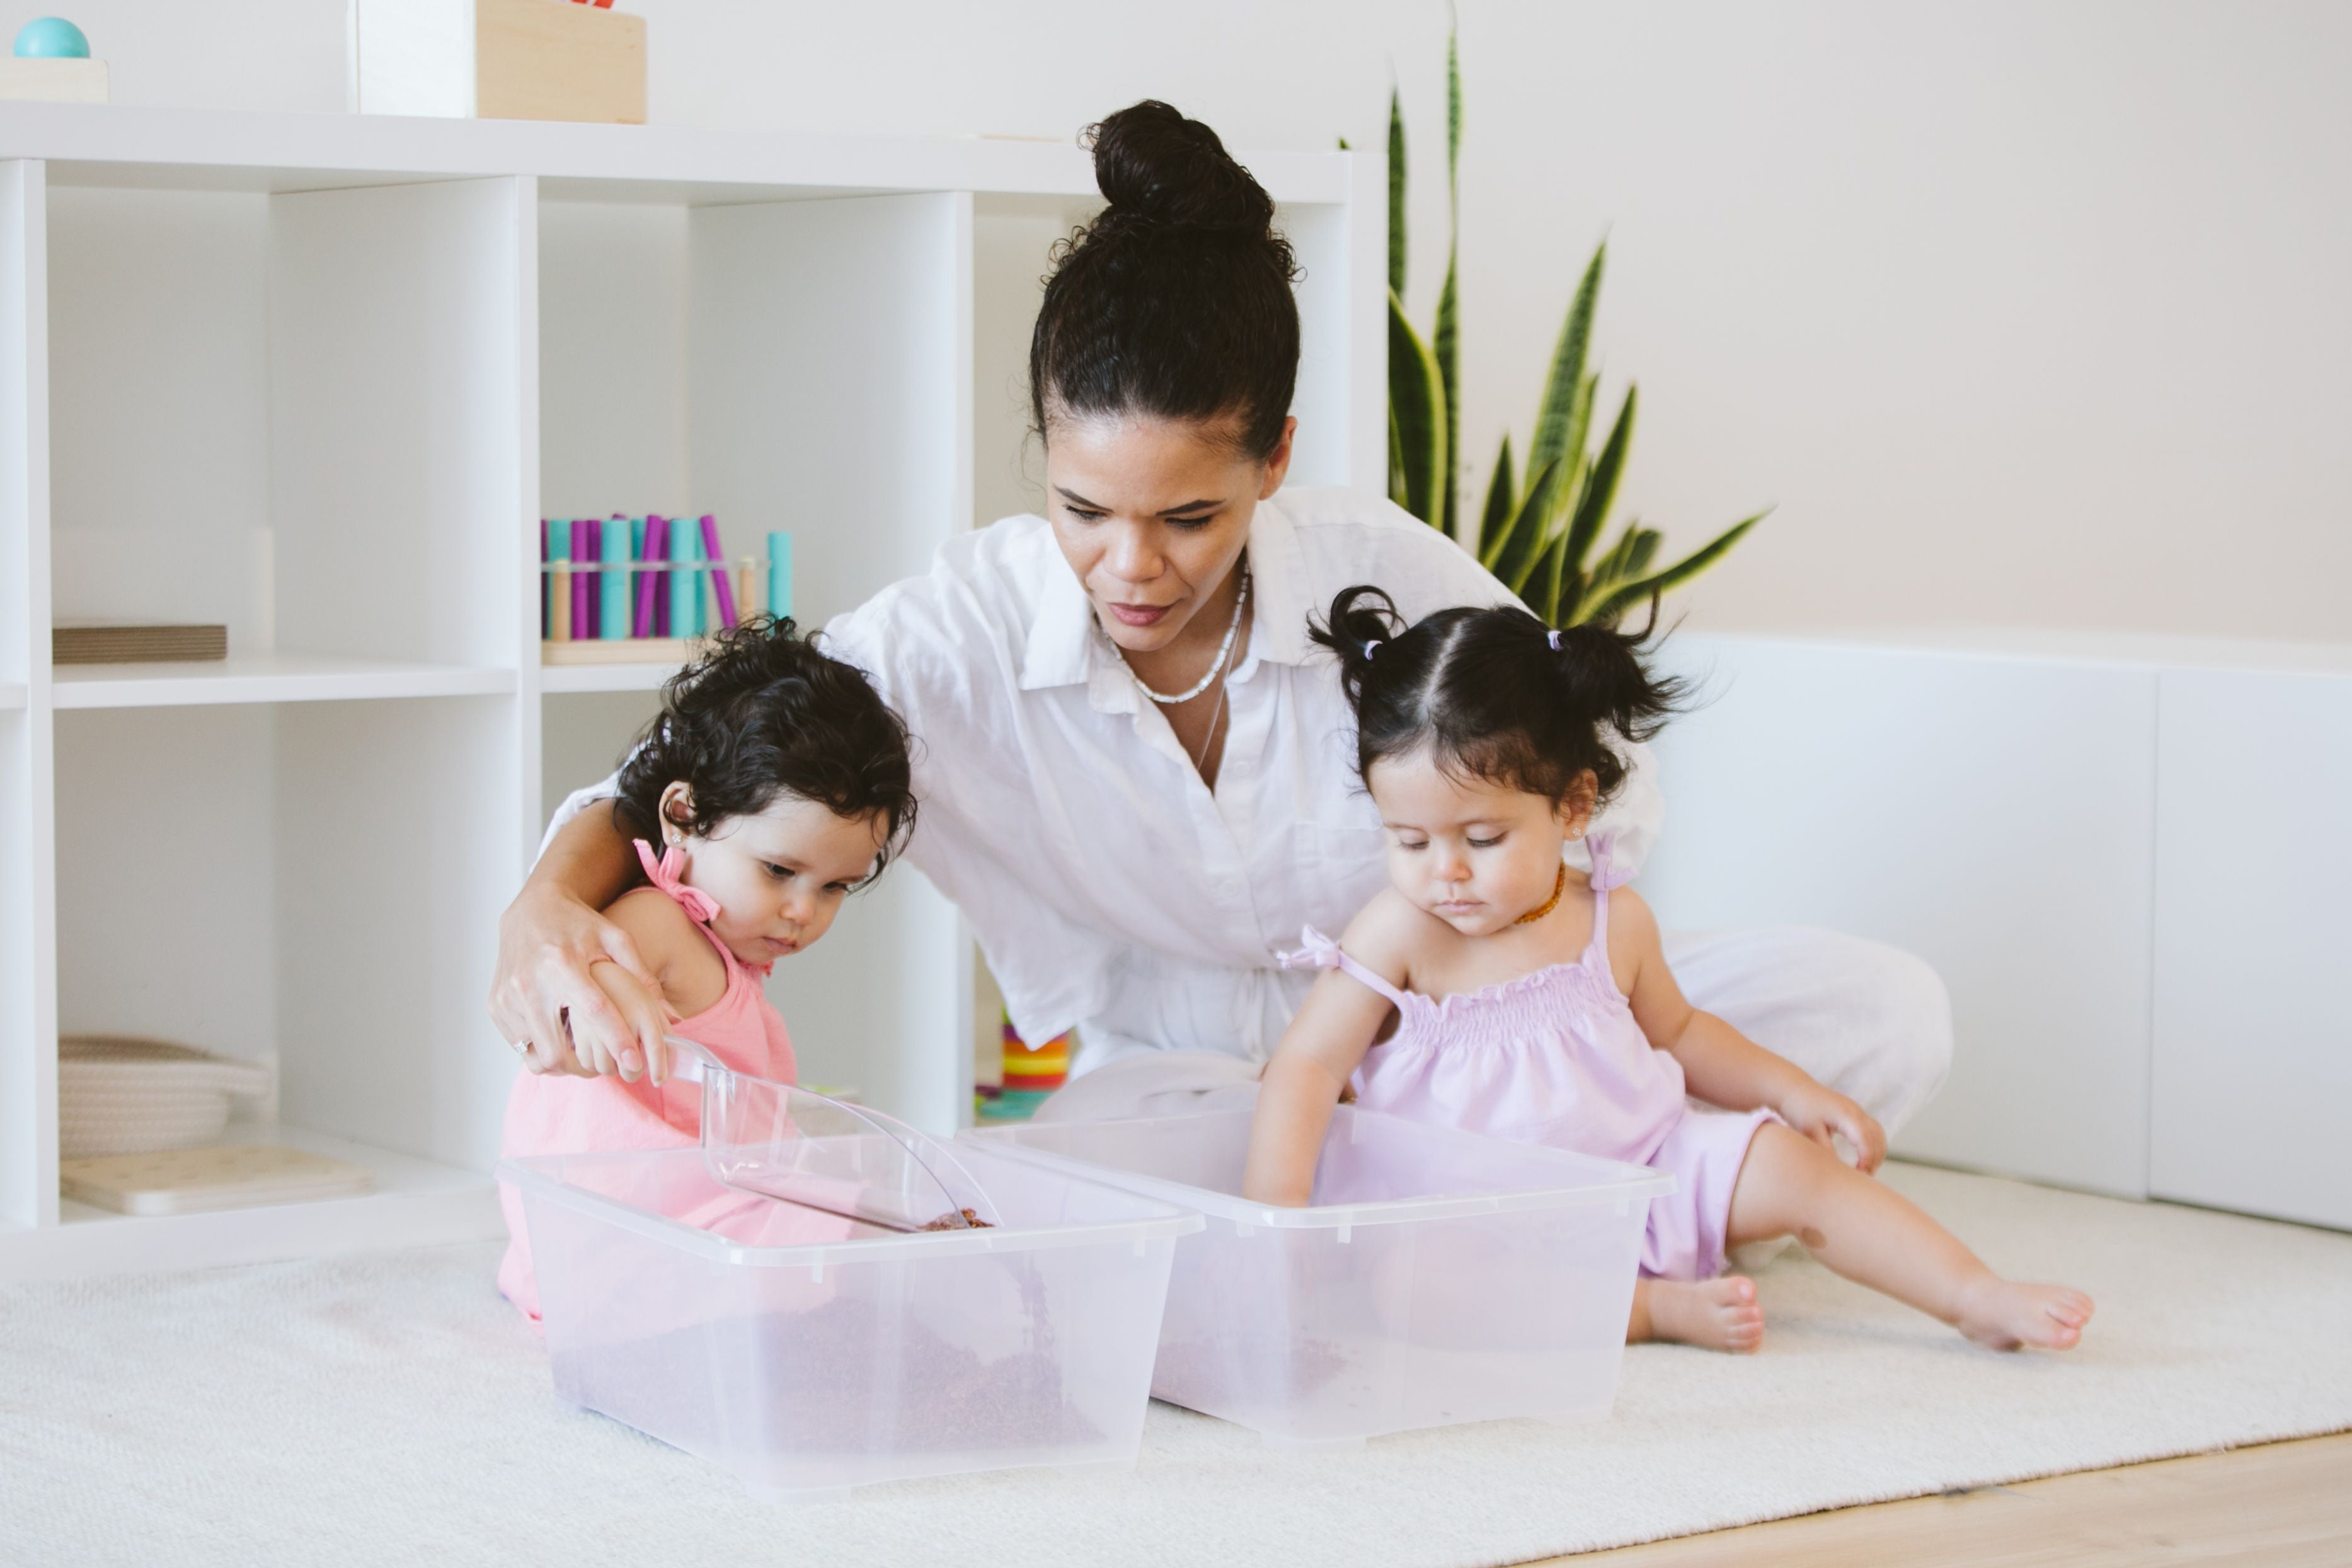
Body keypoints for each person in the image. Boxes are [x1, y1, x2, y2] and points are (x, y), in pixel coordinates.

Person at [490, 100, 1951, 1148]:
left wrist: (1496, 988)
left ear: (1273, 458)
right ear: (1042, 448)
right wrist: (541, 909)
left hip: (1465, 1028)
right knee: (1097, 1200)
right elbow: (675, 775)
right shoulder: (953, 634)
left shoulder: (1381, 570)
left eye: (1190, 518)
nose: (1129, 566)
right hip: (1177, 1083)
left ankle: (1539, 1171)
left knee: (1882, 1013)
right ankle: (1607, 1198)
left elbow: (1597, 784)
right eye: (1082, 507)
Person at [1242, 588, 2092, 1353]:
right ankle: (1649, 1312)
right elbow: (1307, 1067)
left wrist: (1795, 1093)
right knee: (1407, 1290)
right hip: (1466, 1215)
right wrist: (1280, 1221)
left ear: (1571, 805)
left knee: (1800, 1172)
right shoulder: (1400, 930)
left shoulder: (1611, 918)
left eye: (1483, 839)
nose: (1445, 872)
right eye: (1409, 841)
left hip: (1640, 1176)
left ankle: (1973, 1294)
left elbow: (1682, 1033)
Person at [495, 617, 917, 1320]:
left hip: (664, 1223)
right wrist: (594, 1012)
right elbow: (588, 996)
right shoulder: (654, 923)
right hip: (636, 1232)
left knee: (869, 1228)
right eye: (779, 870)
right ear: (682, 813)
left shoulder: (713, 943)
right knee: (877, 1241)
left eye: (835, 886)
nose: (801, 911)